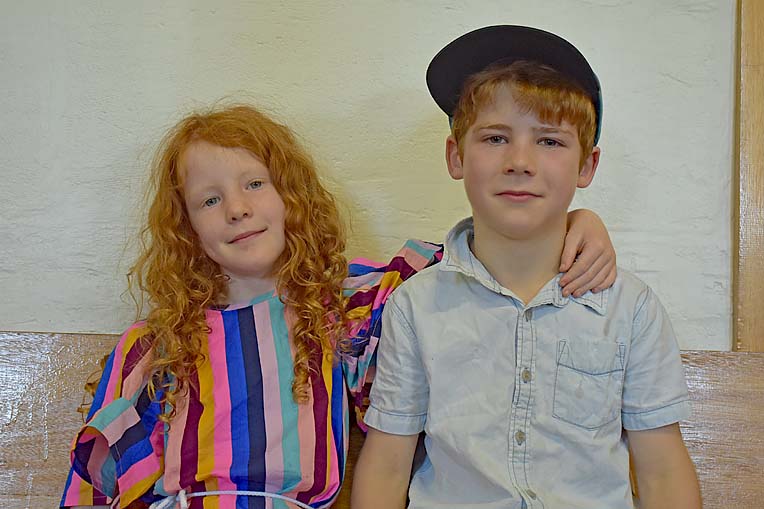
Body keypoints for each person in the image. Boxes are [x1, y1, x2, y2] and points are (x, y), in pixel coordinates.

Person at [59, 103, 615, 509]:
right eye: (209, 199)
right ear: (186, 227)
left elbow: (465, 262)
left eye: (255, 184)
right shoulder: (156, 344)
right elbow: (96, 483)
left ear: (291, 198)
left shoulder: (339, 311)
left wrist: (572, 221)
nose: (236, 209)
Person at [352, 25, 701, 509]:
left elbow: (662, 471)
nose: (520, 161)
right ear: (456, 156)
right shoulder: (416, 306)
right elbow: (387, 465)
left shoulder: (630, 309)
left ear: (587, 166)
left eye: (550, 142)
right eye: (495, 137)